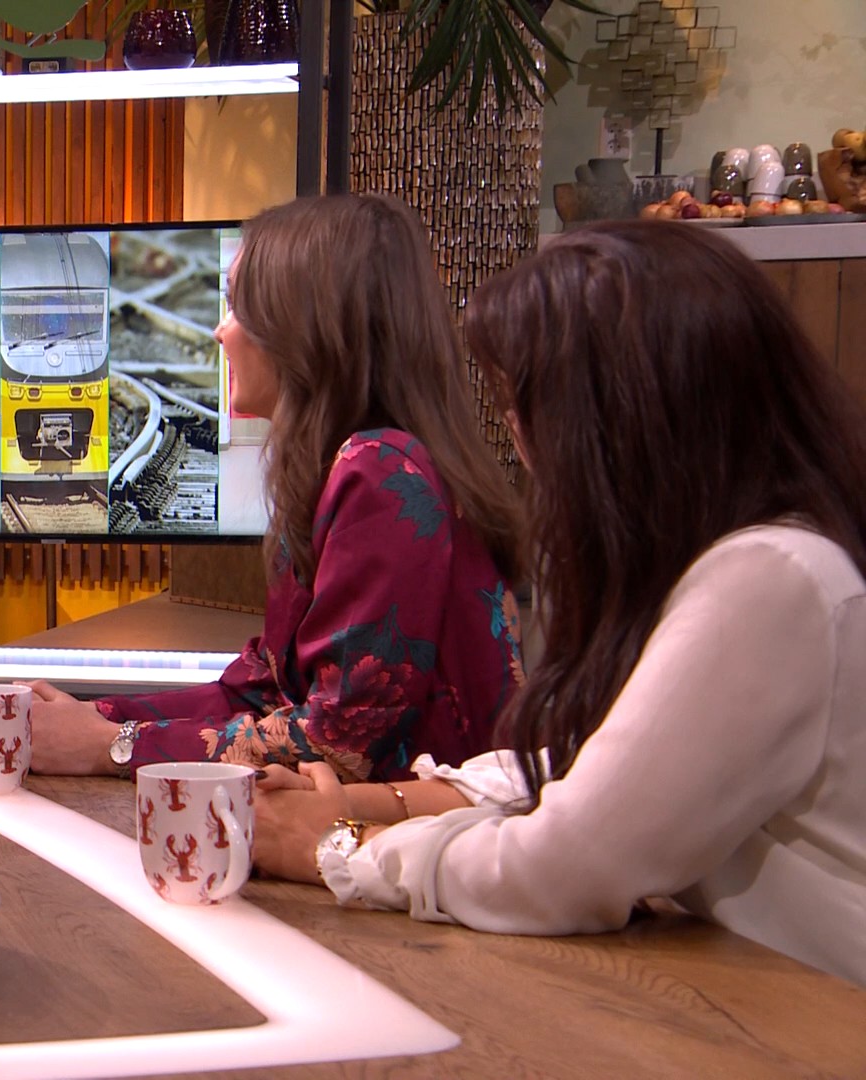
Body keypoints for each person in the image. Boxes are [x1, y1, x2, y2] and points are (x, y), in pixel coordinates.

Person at [254, 221, 866, 988]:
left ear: (616, 419)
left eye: (526, 406)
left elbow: (569, 863)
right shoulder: (718, 566)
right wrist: (370, 805)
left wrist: (338, 847)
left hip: (812, 1022)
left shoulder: (769, 578)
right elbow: (579, 768)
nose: (520, 440)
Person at [29, 194, 524, 782]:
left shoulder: (381, 472)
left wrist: (111, 746)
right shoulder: (342, 468)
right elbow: (258, 693)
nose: (220, 332)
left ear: (304, 327)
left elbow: (338, 742)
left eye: (239, 308)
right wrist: (98, 717)